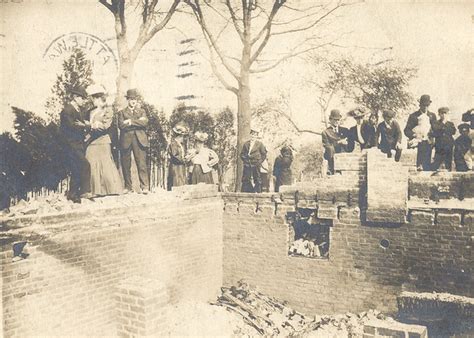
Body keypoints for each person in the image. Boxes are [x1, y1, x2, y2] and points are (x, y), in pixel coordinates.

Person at [85, 85, 123, 196]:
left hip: (102, 141)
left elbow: (105, 126)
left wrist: (92, 126)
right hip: (91, 142)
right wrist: (90, 126)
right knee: (91, 163)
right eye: (93, 98)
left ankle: (111, 190)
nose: (94, 101)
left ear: (100, 98)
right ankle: (94, 191)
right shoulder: (90, 112)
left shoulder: (108, 111)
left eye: (95, 98)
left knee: (105, 165)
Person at [60, 86, 92, 203]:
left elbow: (79, 124)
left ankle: (74, 194)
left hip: (78, 143)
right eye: (82, 98)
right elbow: (71, 126)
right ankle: (84, 191)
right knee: (84, 165)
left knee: (76, 168)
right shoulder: (67, 110)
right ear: (76, 97)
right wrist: (86, 125)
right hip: (71, 145)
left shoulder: (78, 110)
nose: (84, 101)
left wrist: (83, 125)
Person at [118, 89, 149, 193]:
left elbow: (144, 123)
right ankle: (128, 187)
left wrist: (130, 122)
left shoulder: (142, 111)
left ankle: (144, 187)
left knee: (141, 164)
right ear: (128, 100)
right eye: (131, 99)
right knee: (126, 164)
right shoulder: (122, 112)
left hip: (139, 139)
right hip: (126, 140)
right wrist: (138, 122)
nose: (133, 101)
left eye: (135, 99)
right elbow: (121, 126)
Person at [404, 94, 437, 170]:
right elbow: (406, 130)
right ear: (420, 105)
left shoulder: (432, 116)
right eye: (423, 105)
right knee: (420, 163)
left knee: (428, 163)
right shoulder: (414, 116)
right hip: (419, 142)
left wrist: (432, 135)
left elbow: (435, 129)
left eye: (427, 105)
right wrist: (414, 135)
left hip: (429, 141)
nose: (425, 107)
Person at [322, 109, 350, 175]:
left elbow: (349, 141)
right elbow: (327, 145)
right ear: (330, 120)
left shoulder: (345, 130)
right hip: (331, 154)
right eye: (334, 119)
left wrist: (346, 143)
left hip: (343, 153)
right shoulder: (325, 132)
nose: (336, 121)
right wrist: (339, 142)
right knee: (330, 149)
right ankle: (331, 170)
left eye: (338, 119)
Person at [240, 127, 267, 193]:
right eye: (252, 134)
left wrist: (259, 161)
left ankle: (258, 192)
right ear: (250, 135)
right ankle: (246, 192)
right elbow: (242, 154)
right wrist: (245, 160)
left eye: (255, 135)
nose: (253, 136)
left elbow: (264, 154)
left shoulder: (260, 144)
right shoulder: (246, 144)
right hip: (247, 163)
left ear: (257, 136)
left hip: (256, 163)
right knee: (246, 178)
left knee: (257, 178)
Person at [167, 123, 188, 190]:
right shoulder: (173, 144)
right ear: (179, 136)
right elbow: (175, 156)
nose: (183, 138)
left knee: (181, 182)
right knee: (176, 183)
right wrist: (184, 160)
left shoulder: (180, 145)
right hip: (175, 168)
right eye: (182, 136)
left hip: (180, 167)